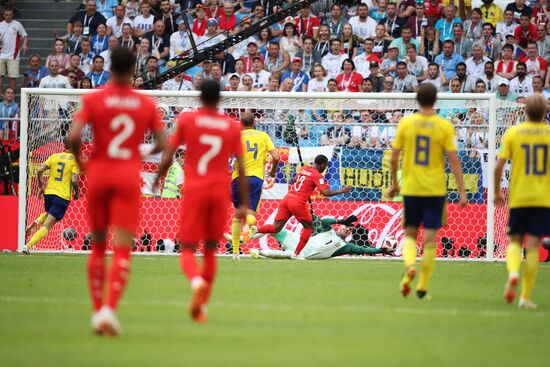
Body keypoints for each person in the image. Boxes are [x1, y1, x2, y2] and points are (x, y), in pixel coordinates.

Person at [68, 47, 167, 336]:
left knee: (98, 245)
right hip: (126, 176)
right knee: (122, 247)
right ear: (133, 70)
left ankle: (98, 309)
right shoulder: (144, 103)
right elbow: (163, 143)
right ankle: (110, 309)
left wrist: (81, 162)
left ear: (110, 67)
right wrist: (138, 151)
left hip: (98, 173)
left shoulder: (95, 98)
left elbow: (73, 136)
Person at [154, 79, 248, 323]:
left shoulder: (187, 120)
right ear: (219, 99)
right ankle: (202, 306)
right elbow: (241, 166)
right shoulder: (231, 126)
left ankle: (196, 282)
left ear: (199, 98)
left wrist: (158, 177)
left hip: (194, 189)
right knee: (209, 250)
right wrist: (243, 204)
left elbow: (170, 151)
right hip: (219, 191)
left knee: (186, 248)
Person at [387, 83, 467, 299]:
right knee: (431, 240)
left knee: (410, 234)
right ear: (435, 100)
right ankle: (422, 285)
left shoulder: (407, 123)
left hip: (412, 188)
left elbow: (394, 156)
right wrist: (461, 191)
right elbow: (454, 160)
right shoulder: (444, 125)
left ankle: (411, 265)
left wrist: (394, 183)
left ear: (417, 100)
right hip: (435, 190)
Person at [494, 93, 550, 309]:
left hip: (519, 197)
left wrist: (498, 191)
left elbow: (499, 166)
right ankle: (525, 297)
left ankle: (514, 272)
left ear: (525, 110)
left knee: (516, 241)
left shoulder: (513, 132)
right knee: (534, 246)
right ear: (545, 111)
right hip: (542, 198)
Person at [252, 154, 351, 259]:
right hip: (297, 202)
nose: (325, 168)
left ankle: (256, 230)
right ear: (322, 165)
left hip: (287, 199)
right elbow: (324, 192)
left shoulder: (304, 168)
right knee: (309, 228)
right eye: (325, 166)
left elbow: (295, 180)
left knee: (276, 228)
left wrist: (307, 187)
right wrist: (342, 190)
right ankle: (296, 254)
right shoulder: (317, 175)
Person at [230, 111, 279, 261]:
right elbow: (276, 156)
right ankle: (249, 226)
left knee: (237, 216)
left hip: (238, 178)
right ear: (254, 123)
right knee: (251, 213)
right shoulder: (263, 136)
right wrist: (272, 171)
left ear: (241, 124)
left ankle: (236, 253)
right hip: (255, 178)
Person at [248, 214, 394, 260]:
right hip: (298, 241)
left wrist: (380, 250)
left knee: (289, 255)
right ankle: (246, 238)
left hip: (303, 253)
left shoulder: (345, 246)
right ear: (341, 226)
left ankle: (258, 253)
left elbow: (364, 249)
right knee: (275, 227)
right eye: (346, 227)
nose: (347, 230)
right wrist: (340, 220)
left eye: (349, 230)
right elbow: (324, 221)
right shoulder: (329, 230)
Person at [23, 139, 79, 254]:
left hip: (49, 194)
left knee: (49, 212)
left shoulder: (54, 156)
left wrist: (40, 186)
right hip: (62, 196)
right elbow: (74, 179)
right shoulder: (75, 160)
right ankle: (27, 246)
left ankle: (37, 221)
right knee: (48, 225)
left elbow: (39, 170)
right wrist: (77, 193)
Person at [0, 7, 28, 94]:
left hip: (14, 54)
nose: (8, 16)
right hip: (1, 53)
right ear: (3, 15)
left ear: (13, 15)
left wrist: (24, 44)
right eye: (6, 15)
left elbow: (25, 35)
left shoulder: (17, 24)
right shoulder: (0, 25)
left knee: (12, 77)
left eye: (10, 15)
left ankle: (11, 96)